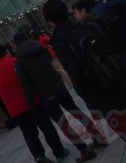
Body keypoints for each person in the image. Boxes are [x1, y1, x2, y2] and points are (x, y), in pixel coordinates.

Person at [43, 0, 126, 163]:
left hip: (100, 94)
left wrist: (88, 99)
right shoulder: (85, 25)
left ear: (50, 21)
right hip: (117, 81)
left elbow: (76, 75)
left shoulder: (61, 42)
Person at [14, 32, 99, 163]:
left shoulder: (20, 61)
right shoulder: (40, 48)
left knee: (63, 123)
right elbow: (50, 62)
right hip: (59, 88)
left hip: (47, 97)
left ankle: (84, 149)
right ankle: (98, 136)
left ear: (16, 45)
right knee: (76, 111)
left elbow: (26, 86)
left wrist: (32, 106)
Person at [0, 45, 69, 163]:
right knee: (47, 127)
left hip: (15, 110)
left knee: (29, 134)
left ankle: (39, 157)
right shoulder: (17, 62)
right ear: (6, 52)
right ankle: (59, 153)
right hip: (33, 102)